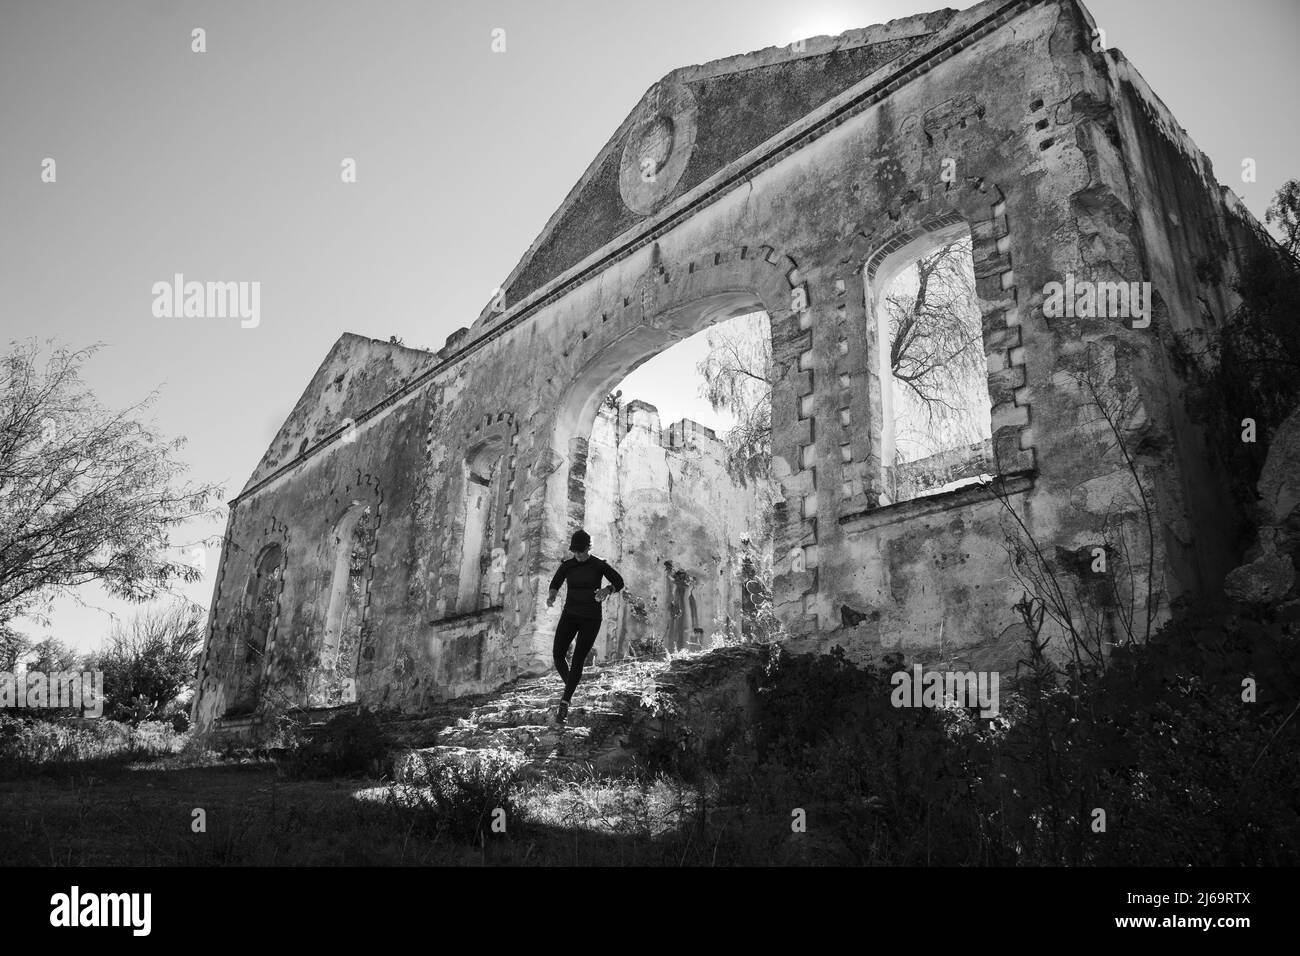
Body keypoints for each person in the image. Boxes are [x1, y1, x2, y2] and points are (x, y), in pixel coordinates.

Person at [547, 529, 624, 725]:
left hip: (591, 617)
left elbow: (619, 581)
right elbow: (555, 582)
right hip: (570, 614)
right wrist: (552, 595)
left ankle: (565, 702)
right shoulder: (568, 565)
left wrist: (607, 590)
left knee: (578, 659)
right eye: (575, 552)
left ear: (589, 548)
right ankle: (571, 689)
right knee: (558, 655)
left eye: (582, 552)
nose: (578, 556)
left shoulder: (599, 564)